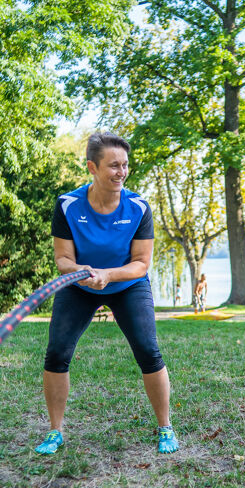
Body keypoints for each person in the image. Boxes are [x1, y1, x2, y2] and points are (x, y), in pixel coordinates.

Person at [36, 132, 179, 456]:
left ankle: (165, 426)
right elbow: (62, 259)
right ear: (92, 167)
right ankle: (55, 431)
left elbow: (141, 264)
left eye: (125, 165)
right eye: (114, 165)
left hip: (127, 284)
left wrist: (108, 275)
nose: (121, 172)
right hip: (80, 285)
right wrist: (82, 272)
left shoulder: (138, 206)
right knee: (57, 353)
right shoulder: (67, 205)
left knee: (148, 351)